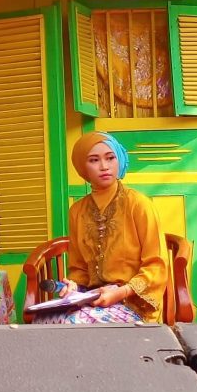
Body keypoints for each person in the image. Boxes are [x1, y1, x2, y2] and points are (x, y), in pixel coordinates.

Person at [34, 131, 167, 324]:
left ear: (119, 160)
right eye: (94, 160)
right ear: (83, 167)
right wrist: (73, 286)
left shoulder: (139, 205)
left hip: (132, 302)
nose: (104, 166)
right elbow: (79, 268)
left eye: (110, 158)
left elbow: (157, 265)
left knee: (72, 323)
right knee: (43, 321)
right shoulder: (77, 211)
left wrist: (121, 292)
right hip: (92, 300)